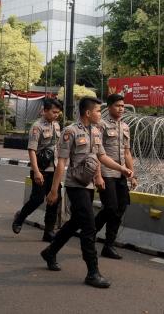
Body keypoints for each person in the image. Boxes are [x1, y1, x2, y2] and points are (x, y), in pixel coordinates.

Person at [40, 97, 133, 288]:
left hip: (89, 185)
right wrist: (54, 190)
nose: (101, 114)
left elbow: (101, 156)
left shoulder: (96, 132)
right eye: (99, 111)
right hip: (75, 185)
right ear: (88, 113)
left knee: (75, 222)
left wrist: (121, 169)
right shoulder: (70, 132)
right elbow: (62, 163)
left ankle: (50, 251)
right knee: (89, 227)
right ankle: (92, 272)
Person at [12, 98, 62, 241]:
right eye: (54, 112)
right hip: (41, 169)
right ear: (45, 111)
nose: (56, 115)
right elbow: (32, 150)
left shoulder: (57, 126)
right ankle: (20, 218)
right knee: (37, 199)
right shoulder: (37, 127)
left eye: (58, 112)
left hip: (54, 169)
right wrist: (37, 172)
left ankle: (49, 231)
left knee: (54, 199)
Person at [94, 94, 137, 260]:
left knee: (120, 208)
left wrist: (132, 175)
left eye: (123, 106)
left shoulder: (125, 127)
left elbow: (127, 152)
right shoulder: (101, 125)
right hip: (106, 172)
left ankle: (109, 245)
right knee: (110, 207)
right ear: (109, 107)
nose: (121, 109)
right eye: (118, 105)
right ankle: (90, 234)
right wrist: (97, 176)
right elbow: (97, 152)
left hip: (121, 173)